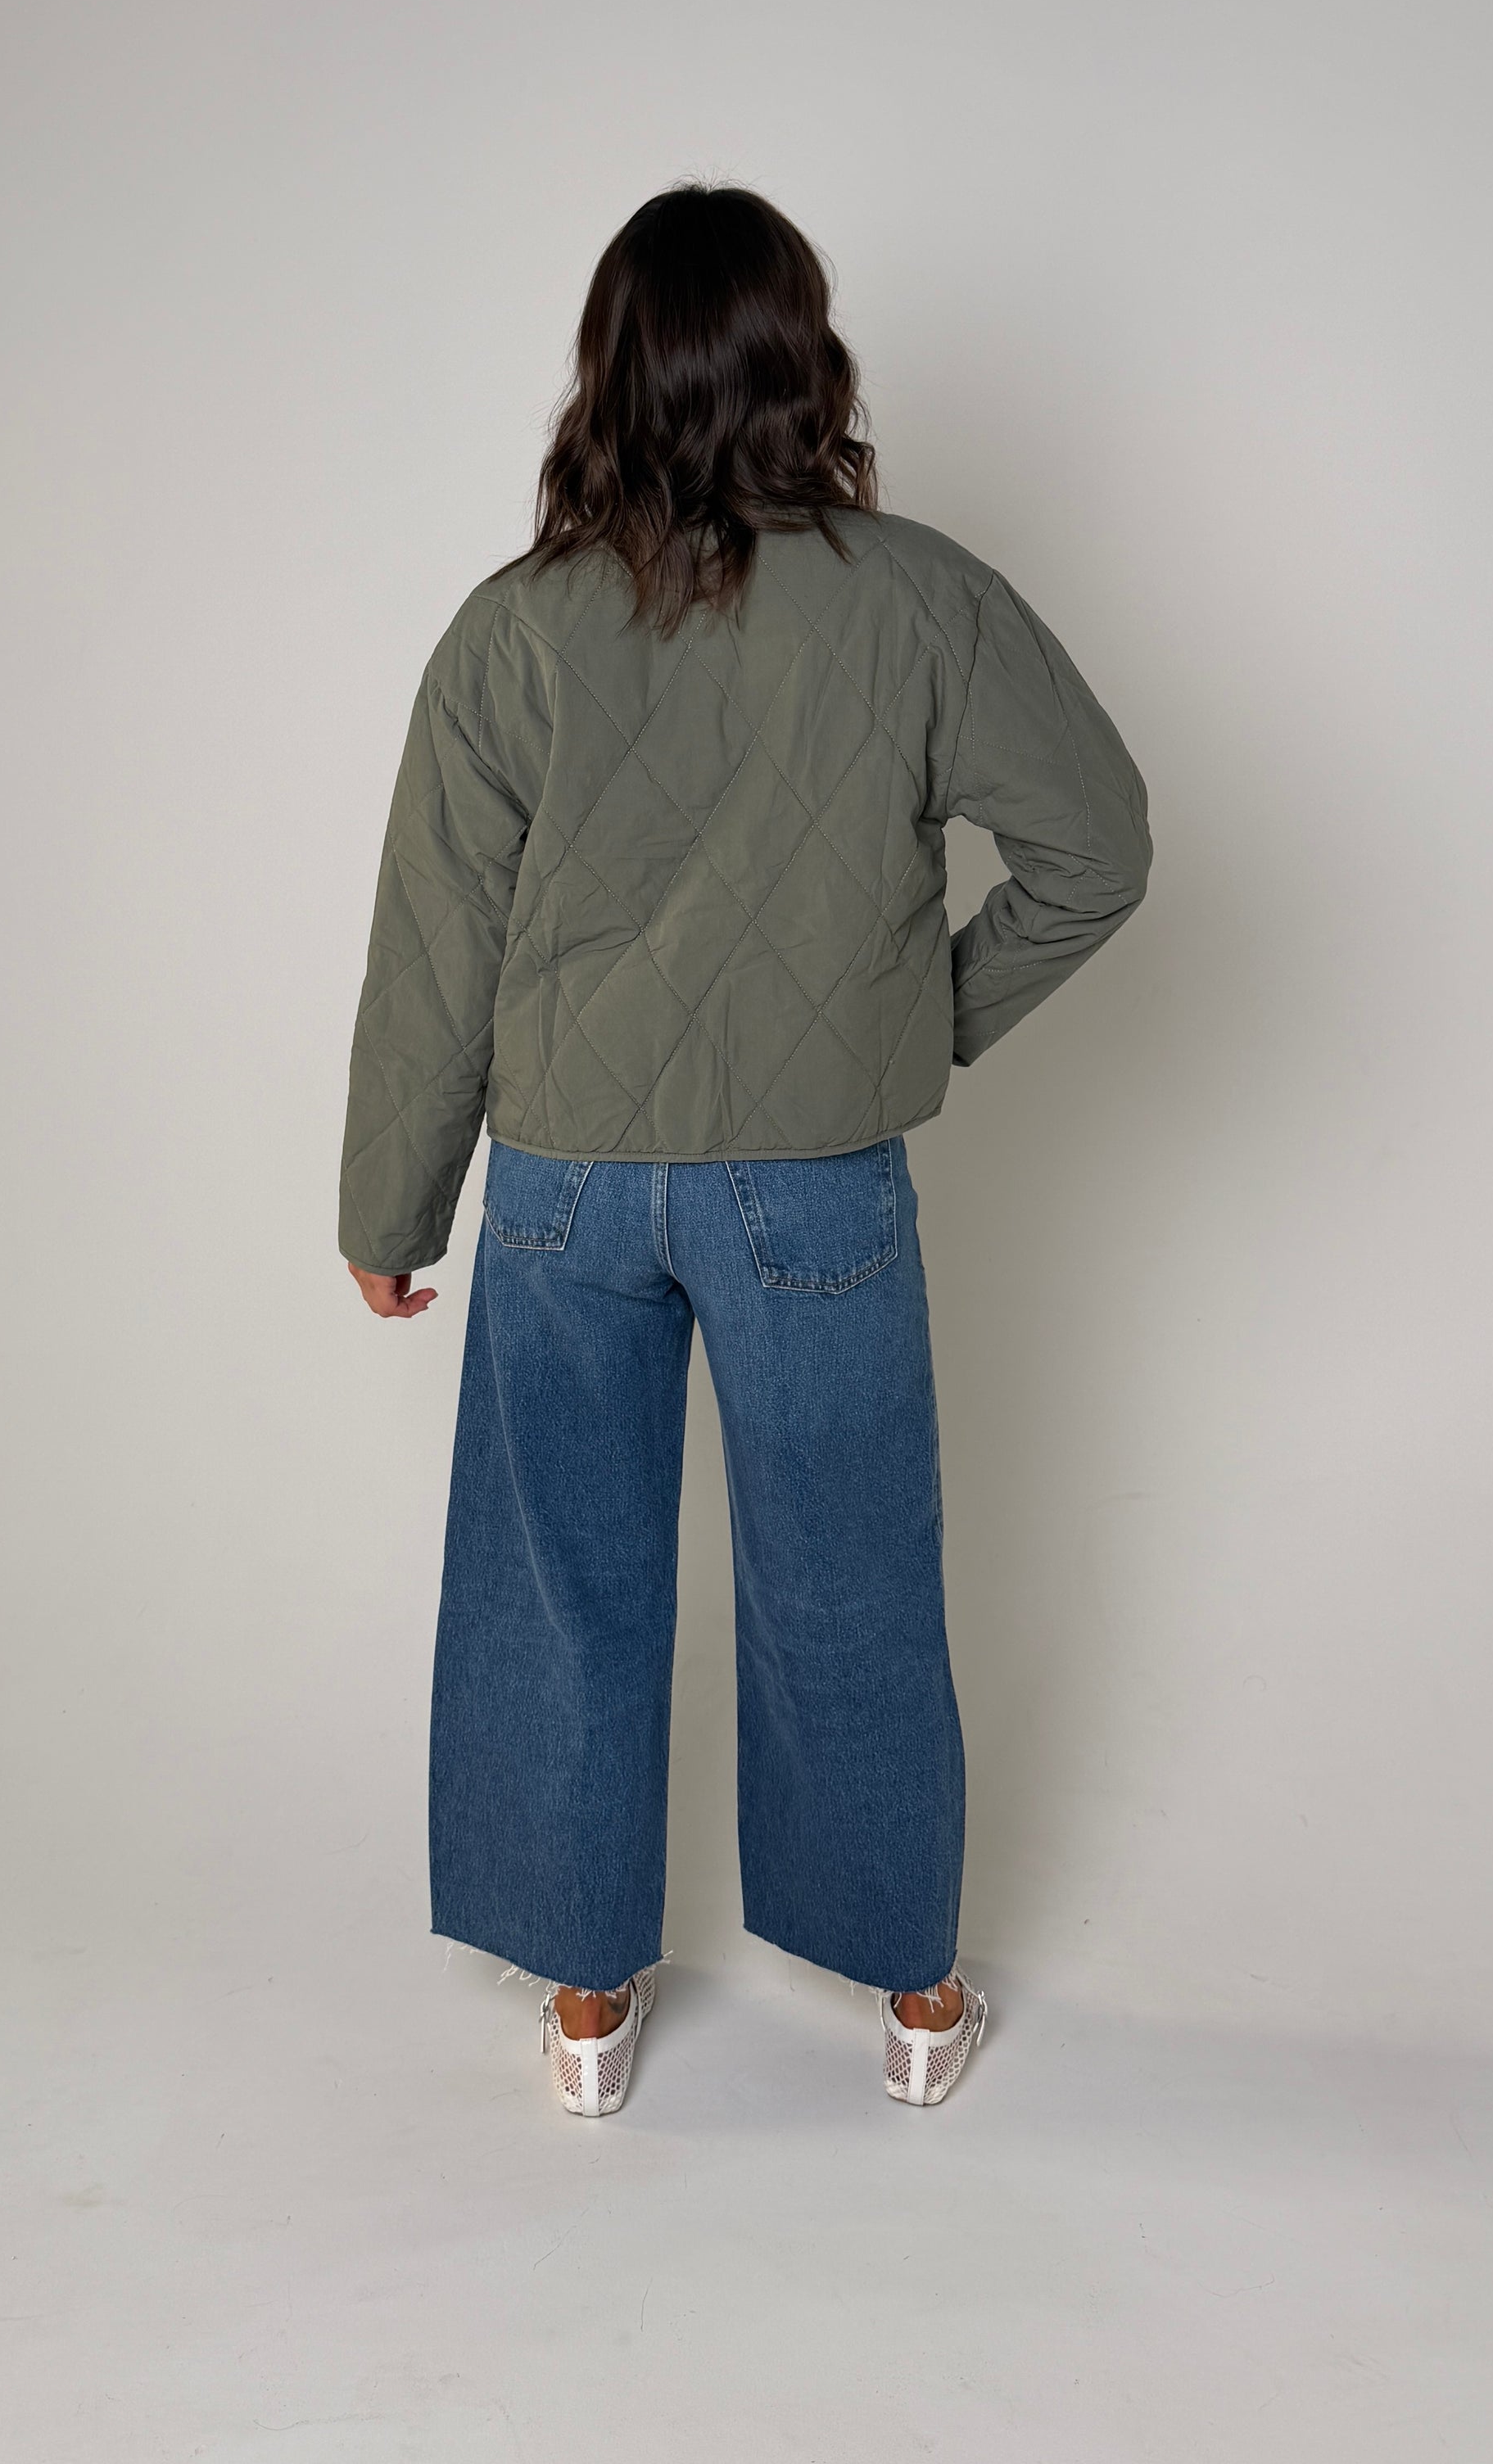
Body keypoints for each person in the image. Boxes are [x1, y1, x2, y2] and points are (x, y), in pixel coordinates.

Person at [338, 183, 1151, 2117]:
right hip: (815, 1186)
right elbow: (1100, 847)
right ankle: (920, 1997)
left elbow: (438, 943)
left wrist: (390, 1202)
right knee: (849, 1583)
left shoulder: (514, 628)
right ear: (806, 361)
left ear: (609, 370)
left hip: (563, 1186)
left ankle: (587, 2006)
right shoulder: (921, 598)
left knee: (562, 1585)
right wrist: (911, 1022)